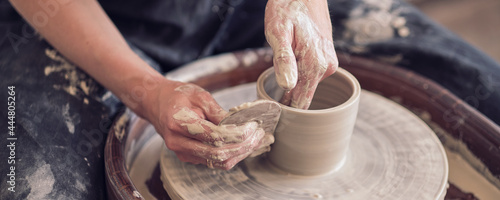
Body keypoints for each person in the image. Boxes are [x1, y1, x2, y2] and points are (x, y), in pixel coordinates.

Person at [2, 0, 499, 199]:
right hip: (95, 21)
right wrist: (147, 91)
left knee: (483, 89)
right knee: (33, 183)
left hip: (257, 8)